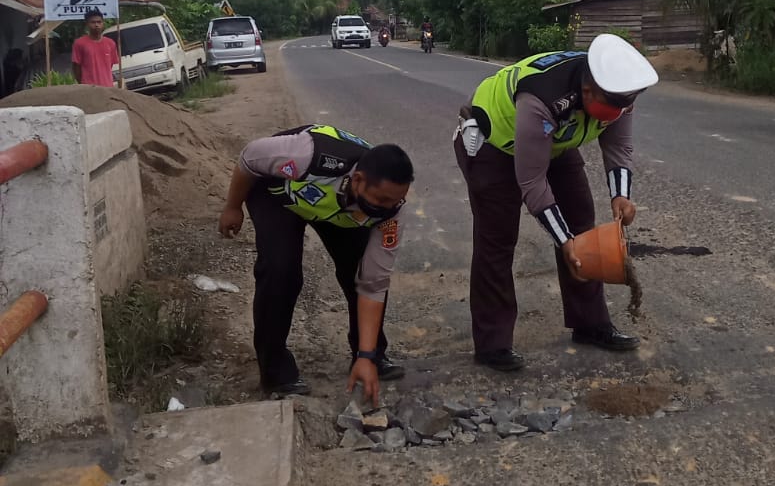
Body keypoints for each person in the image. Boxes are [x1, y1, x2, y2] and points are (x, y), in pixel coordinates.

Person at [454, 35, 659, 372]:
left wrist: (620, 194)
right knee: (497, 240)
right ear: (588, 91)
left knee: (581, 221)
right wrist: (564, 242)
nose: (616, 115)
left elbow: (619, 147)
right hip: (494, 145)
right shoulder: (543, 97)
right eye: (610, 109)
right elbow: (532, 184)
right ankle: (492, 344)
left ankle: (590, 324)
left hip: (552, 142)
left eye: (622, 108)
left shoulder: (617, 91)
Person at [218, 125, 414, 403]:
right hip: (279, 192)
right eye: (381, 199)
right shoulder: (307, 156)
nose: (386, 208)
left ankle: (369, 356)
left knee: (357, 273)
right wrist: (232, 206)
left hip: (339, 210)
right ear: (357, 180)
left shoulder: (392, 211)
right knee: (280, 271)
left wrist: (367, 355)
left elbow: (373, 283)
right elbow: (250, 158)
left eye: (394, 201)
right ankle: (275, 372)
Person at [71, 10, 120, 87]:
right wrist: (83, 84)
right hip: (89, 88)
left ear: (103, 23)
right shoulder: (79, 43)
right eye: (93, 22)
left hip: (108, 87)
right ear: (87, 24)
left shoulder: (110, 43)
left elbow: (109, 65)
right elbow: (76, 67)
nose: (96, 25)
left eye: (99, 22)